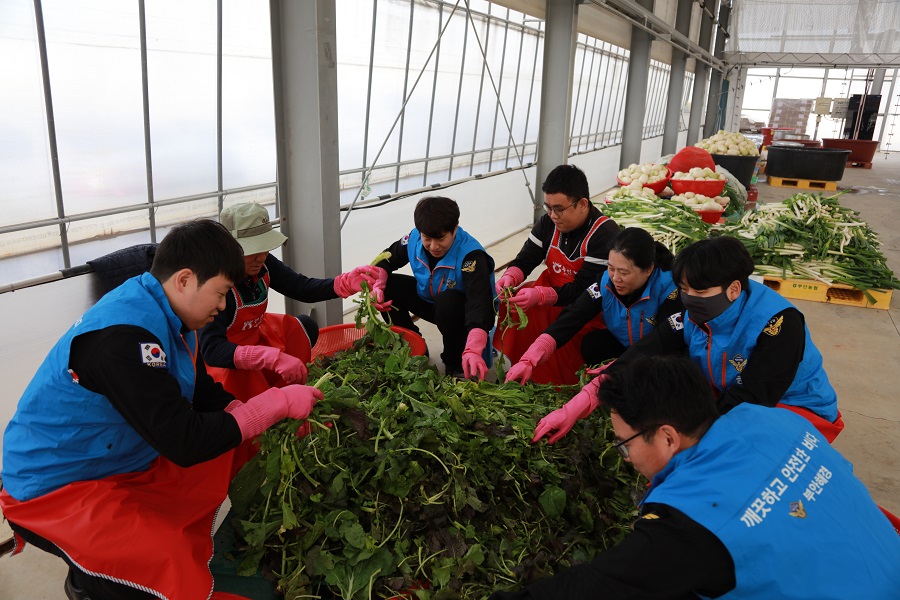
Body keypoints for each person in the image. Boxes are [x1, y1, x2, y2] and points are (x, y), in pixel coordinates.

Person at [0, 220, 325, 600]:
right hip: (54, 485)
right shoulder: (122, 339)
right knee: (164, 562)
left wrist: (247, 411)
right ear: (185, 279)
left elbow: (200, 388)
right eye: (220, 294)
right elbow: (183, 441)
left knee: (227, 452)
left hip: (113, 457)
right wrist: (273, 404)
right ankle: (93, 584)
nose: (222, 307)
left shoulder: (168, 312)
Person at [492, 355, 900, 600]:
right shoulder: (775, 419)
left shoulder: (691, 527)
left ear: (668, 437)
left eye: (624, 443)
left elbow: (597, 587)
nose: (625, 457)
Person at [534, 235, 844, 446]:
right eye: (684, 290)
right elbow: (646, 350)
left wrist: (692, 442)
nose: (689, 300)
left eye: (700, 293)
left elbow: (751, 400)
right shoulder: (694, 316)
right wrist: (584, 400)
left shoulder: (779, 324)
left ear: (734, 289)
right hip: (729, 393)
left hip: (791, 411)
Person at [200, 202, 387, 400]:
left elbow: (300, 287)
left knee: (305, 327)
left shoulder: (263, 263)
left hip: (255, 336)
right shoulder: (216, 287)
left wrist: (344, 283)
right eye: (253, 250)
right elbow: (212, 350)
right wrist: (269, 358)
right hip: (229, 358)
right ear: (229, 248)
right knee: (247, 402)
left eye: (265, 248)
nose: (262, 257)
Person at [494, 164, 620, 385]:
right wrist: (510, 276)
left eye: (559, 209)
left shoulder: (604, 233)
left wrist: (541, 296)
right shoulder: (548, 223)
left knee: (561, 322)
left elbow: (583, 290)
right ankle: (520, 367)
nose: (552, 215)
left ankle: (558, 383)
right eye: (548, 207)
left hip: (587, 306)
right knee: (517, 299)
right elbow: (526, 258)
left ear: (582, 204)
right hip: (553, 289)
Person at [504, 227, 679, 384]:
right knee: (593, 344)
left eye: (624, 272)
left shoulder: (670, 291)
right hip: (625, 347)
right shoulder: (605, 283)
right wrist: (529, 359)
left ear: (648, 270)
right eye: (611, 268)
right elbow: (573, 316)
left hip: (660, 355)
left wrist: (619, 367)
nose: (615, 278)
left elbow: (662, 342)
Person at [373, 196, 496, 379]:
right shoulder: (414, 238)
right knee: (388, 286)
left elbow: (480, 304)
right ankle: (412, 346)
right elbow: (386, 259)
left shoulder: (472, 256)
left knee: (448, 302)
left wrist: (474, 347)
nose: (433, 246)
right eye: (427, 238)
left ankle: (454, 363)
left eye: (440, 239)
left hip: (460, 313)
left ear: (454, 229)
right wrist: (377, 285)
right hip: (430, 300)